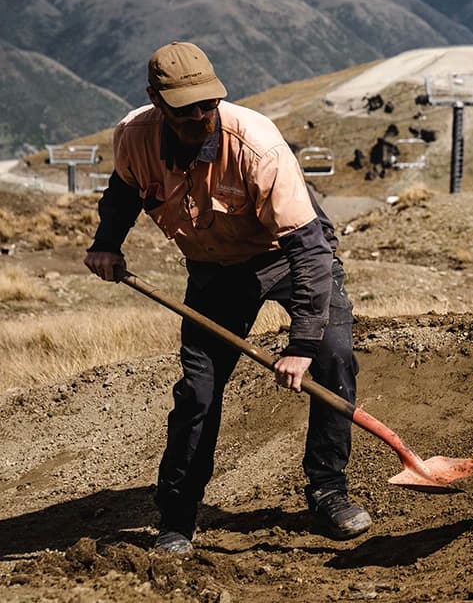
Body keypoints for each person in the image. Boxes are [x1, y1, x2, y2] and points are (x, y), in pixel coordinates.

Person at [83, 41, 371, 553]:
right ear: (156, 100)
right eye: (185, 107)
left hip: (287, 254)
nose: (199, 115)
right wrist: (107, 244)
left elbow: (309, 252)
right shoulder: (135, 136)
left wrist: (301, 345)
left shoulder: (258, 145)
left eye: (207, 103)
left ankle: (328, 489)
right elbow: (124, 192)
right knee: (198, 392)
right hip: (215, 271)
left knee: (334, 357)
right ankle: (176, 517)